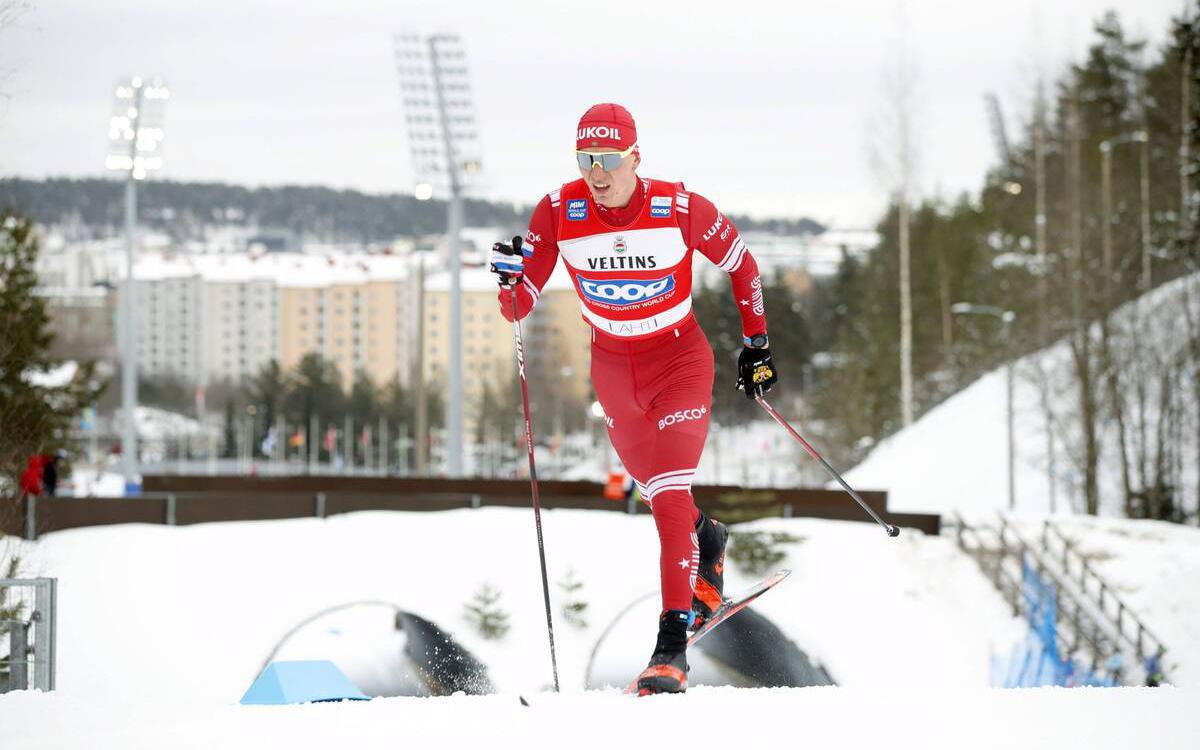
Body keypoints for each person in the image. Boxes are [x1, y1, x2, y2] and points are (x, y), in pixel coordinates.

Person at [489, 103, 777, 694]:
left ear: (635, 158)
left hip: (679, 362)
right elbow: (521, 305)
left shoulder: (678, 206)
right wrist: (510, 280)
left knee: (669, 497)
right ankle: (709, 539)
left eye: (609, 160)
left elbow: (743, 265)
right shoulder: (560, 210)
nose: (597, 173)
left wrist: (757, 346)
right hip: (612, 372)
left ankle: (670, 651)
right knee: (663, 501)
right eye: (586, 159)